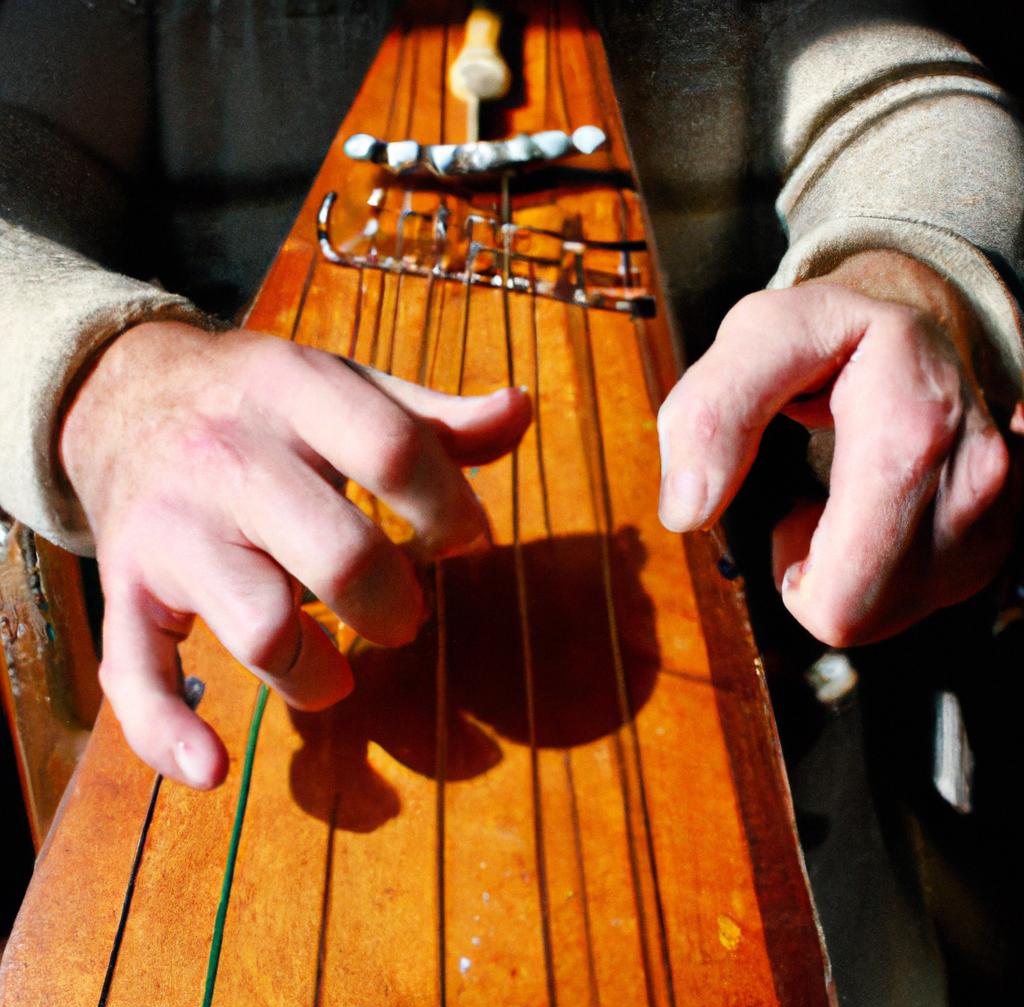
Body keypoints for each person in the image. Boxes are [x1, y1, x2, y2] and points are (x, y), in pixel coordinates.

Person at [1, 0, 1021, 797]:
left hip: (796, 782)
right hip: (254, 740)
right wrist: (109, 388)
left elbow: (905, 92)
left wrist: (913, 275)